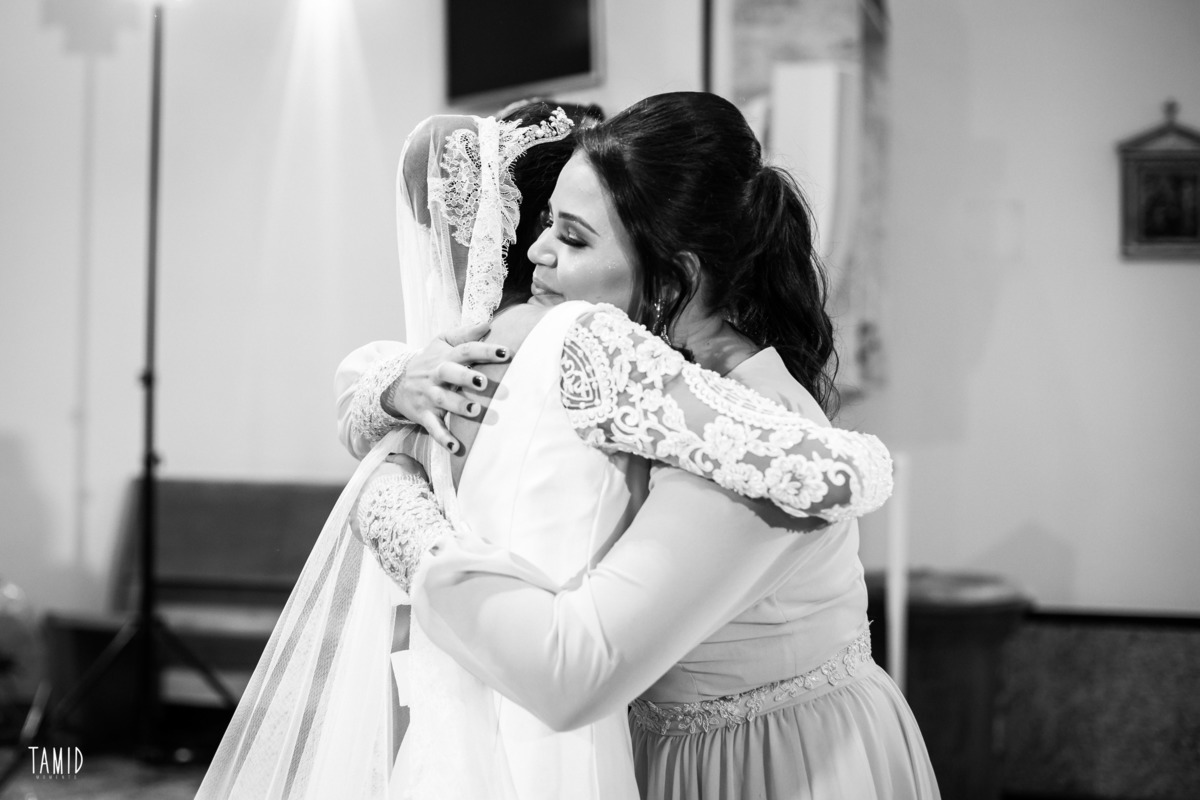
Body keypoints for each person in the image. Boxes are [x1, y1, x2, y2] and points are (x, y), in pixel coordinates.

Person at [200, 99, 892, 800]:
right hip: (660, 753)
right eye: (545, 223)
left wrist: (397, 513)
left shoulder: (742, 434)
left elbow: (573, 672)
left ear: (671, 277)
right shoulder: (628, 380)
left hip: (768, 766)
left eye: (574, 237)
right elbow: (367, 381)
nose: (536, 251)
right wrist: (397, 386)